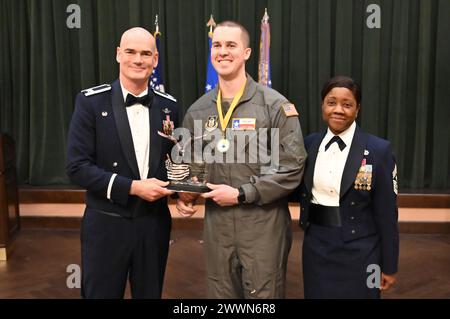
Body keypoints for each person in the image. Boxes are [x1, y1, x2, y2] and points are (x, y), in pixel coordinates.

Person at [177, 21, 306, 298]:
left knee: (263, 298)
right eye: (217, 45)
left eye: (231, 45)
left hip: (263, 223)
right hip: (217, 226)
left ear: (247, 52)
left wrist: (242, 194)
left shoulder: (274, 106)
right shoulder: (197, 111)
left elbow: (292, 166)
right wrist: (186, 195)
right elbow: (191, 165)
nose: (223, 52)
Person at [66, 27, 178, 298]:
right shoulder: (90, 102)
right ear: (118, 54)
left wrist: (183, 192)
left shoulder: (169, 106)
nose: (138, 59)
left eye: (145, 53)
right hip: (106, 224)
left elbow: (173, 162)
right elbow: (77, 167)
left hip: (154, 225)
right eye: (130, 52)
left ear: (155, 59)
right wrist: (132, 187)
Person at [298, 75, 399, 298]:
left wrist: (389, 265)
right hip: (316, 247)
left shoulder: (378, 150)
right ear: (323, 105)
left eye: (347, 104)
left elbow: (387, 214)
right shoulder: (308, 144)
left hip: (364, 252)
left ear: (358, 109)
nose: (338, 110)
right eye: (331, 102)